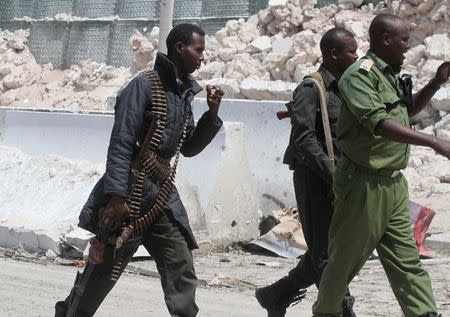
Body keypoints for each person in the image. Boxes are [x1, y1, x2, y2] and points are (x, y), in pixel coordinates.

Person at [55, 23, 224, 317]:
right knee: (100, 277)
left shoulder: (183, 94)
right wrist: (117, 197)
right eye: (198, 50)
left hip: (161, 197)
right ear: (180, 48)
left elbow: (189, 148)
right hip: (129, 195)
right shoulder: (143, 86)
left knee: (180, 266)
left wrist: (212, 114)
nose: (202, 57)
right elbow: (121, 143)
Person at [312, 13, 450, 317]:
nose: (408, 45)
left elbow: (407, 109)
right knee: (345, 260)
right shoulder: (359, 75)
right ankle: (326, 312)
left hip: (393, 184)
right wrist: (433, 142)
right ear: (385, 39)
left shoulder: (390, 74)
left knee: (406, 259)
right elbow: (379, 123)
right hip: (363, 183)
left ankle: (424, 312)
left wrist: (437, 82)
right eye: (404, 39)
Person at [255, 27, 358, 317]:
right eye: (351, 50)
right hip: (314, 177)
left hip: (339, 178)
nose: (357, 55)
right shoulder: (311, 88)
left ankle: (276, 294)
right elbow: (304, 137)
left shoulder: (346, 87)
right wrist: (331, 173)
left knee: (328, 251)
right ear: (334, 54)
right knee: (326, 253)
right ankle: (340, 309)